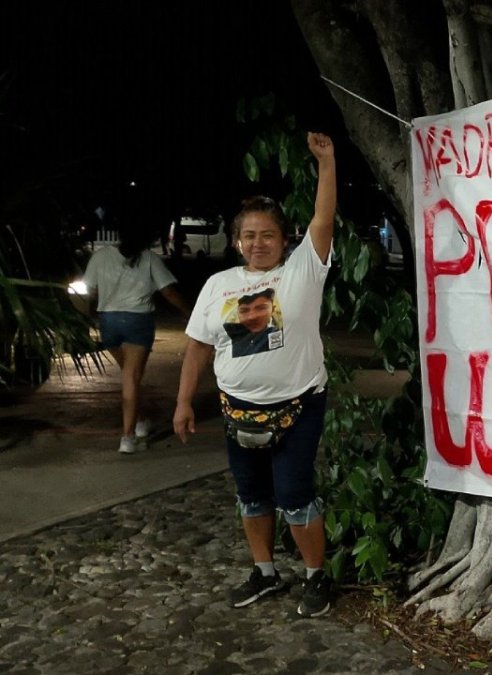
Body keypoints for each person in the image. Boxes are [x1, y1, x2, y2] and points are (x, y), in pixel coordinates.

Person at [174, 132, 337, 618]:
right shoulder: (218, 284)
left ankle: (315, 576)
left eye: (268, 235)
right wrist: (184, 401)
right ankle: (265, 572)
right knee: (251, 495)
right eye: (249, 235)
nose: (258, 243)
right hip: (237, 411)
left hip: (298, 404)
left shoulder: (302, 270)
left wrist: (326, 164)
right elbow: (198, 348)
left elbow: (323, 219)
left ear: (284, 239)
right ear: (235, 240)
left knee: (293, 494)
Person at [82, 220, 191, 453]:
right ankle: (127, 437)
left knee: (129, 376)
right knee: (131, 378)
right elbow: (169, 291)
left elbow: (87, 290)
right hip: (137, 322)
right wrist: (188, 313)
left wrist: (84, 316)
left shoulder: (100, 256)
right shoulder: (149, 259)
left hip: (109, 322)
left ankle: (140, 421)